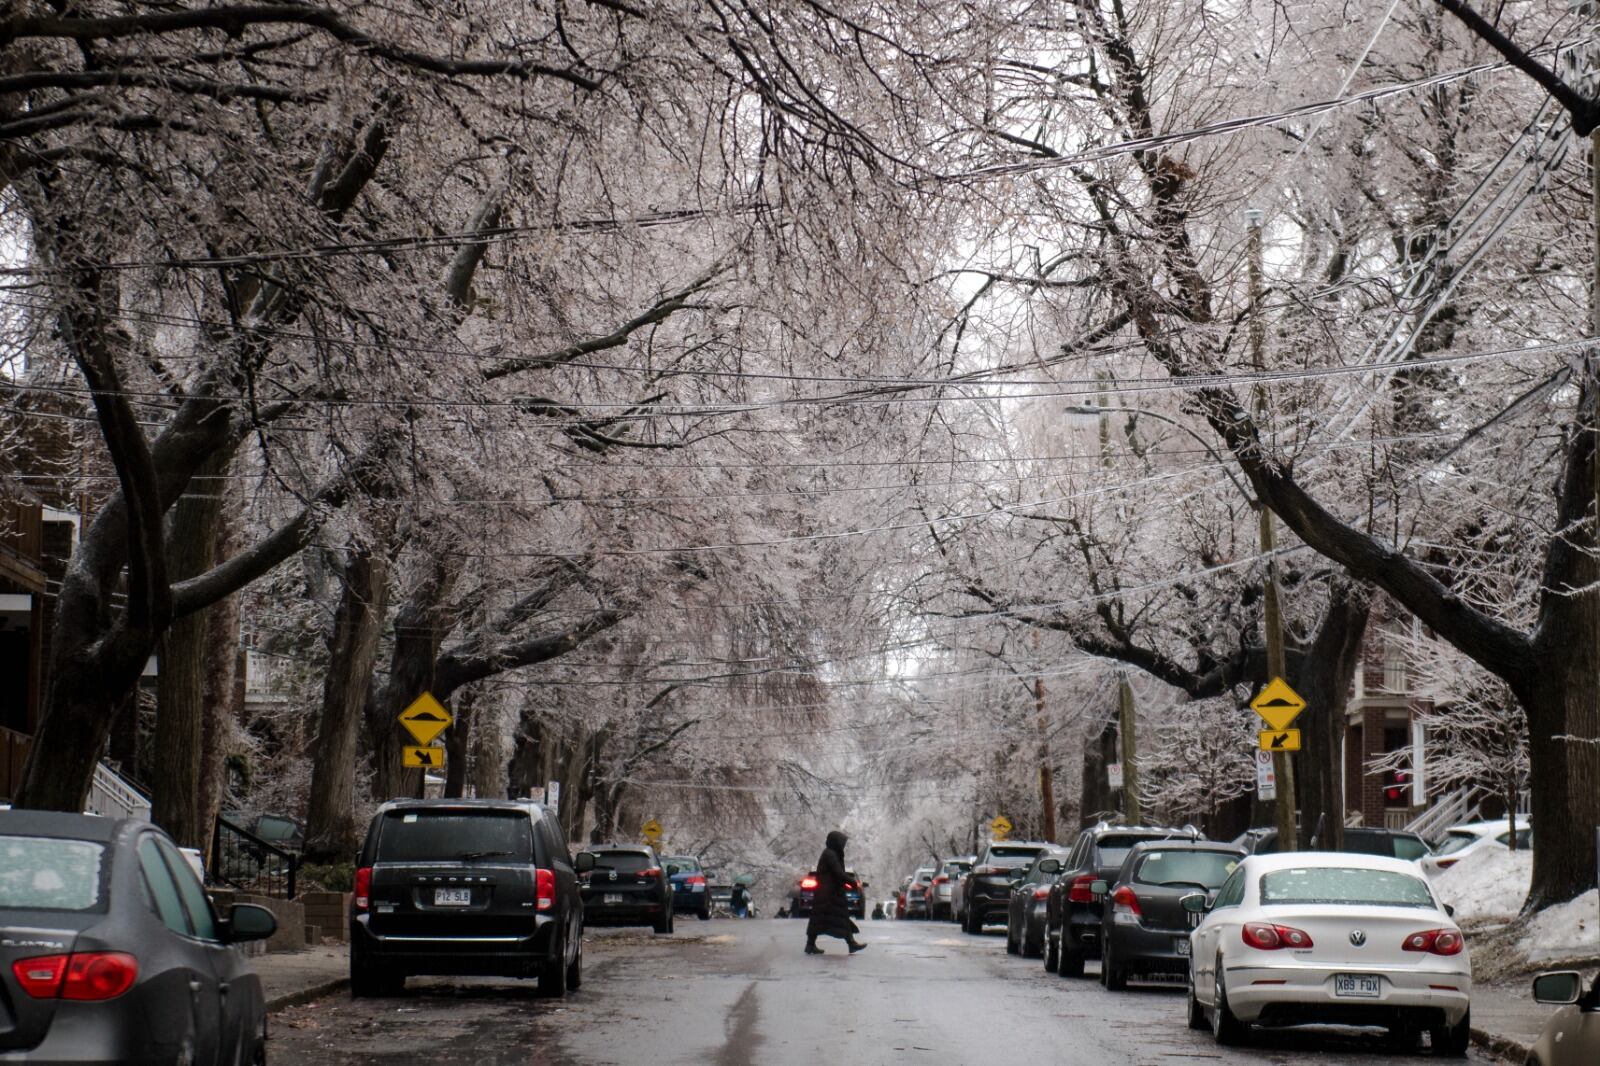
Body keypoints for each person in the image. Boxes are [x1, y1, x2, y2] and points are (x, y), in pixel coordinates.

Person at [805, 830, 866, 955]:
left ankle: (810, 945)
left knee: (821, 919)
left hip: (827, 893)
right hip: (829, 894)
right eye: (842, 843)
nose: (843, 846)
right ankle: (851, 943)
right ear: (836, 842)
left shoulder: (830, 853)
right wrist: (853, 883)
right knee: (839, 918)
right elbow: (838, 873)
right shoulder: (830, 855)